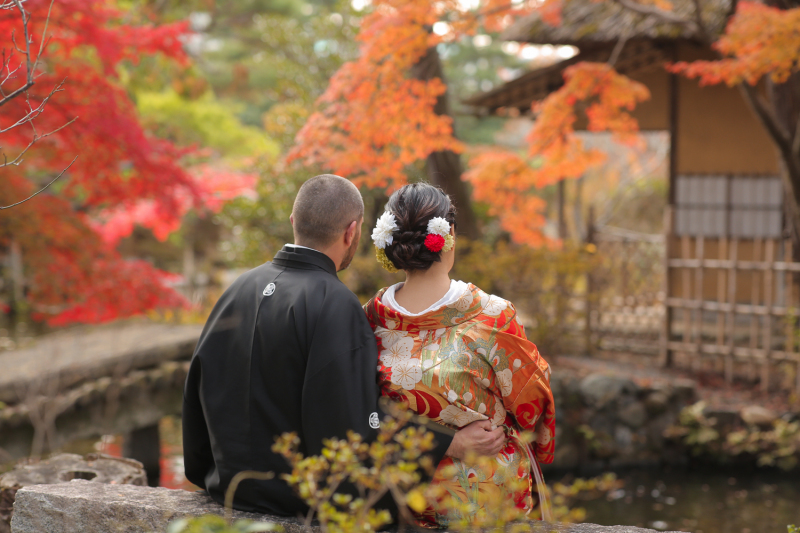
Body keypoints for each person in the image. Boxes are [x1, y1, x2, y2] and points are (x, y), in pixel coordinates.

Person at [182, 174, 506, 518]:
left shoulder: (239, 288)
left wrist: (210, 470)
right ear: (351, 232)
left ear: (293, 221)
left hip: (226, 489)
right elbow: (353, 423)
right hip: (290, 500)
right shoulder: (333, 303)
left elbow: (195, 389)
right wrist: (450, 443)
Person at [363, 182, 556, 526]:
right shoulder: (492, 316)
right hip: (484, 496)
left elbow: (362, 410)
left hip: (400, 492)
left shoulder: (370, 319)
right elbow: (532, 402)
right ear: (449, 234)